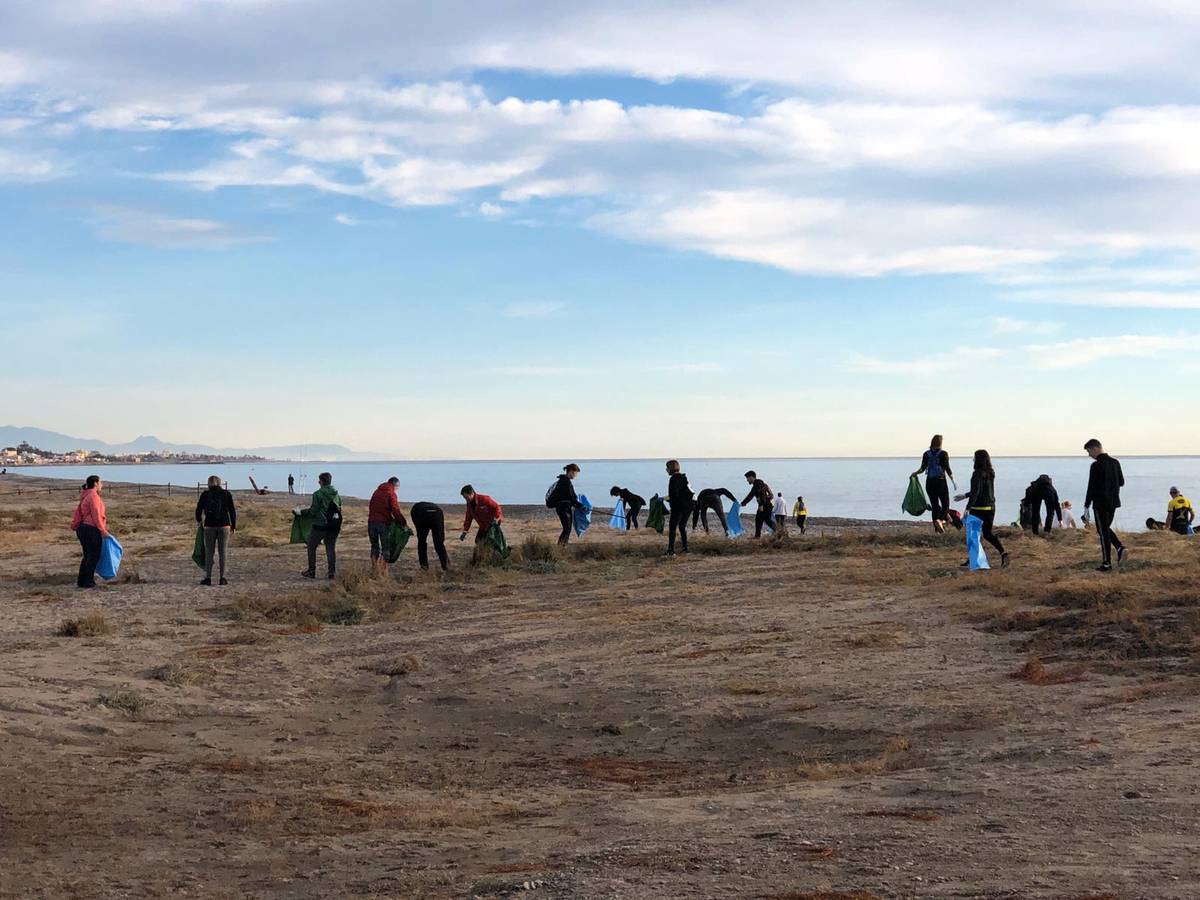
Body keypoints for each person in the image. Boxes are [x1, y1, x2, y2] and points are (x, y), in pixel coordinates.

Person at [954, 449, 1009, 568]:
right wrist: (964, 495)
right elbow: (980, 490)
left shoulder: (977, 473)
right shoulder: (990, 472)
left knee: (973, 534)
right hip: (990, 507)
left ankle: (973, 560)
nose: (973, 459)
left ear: (978, 459)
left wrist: (968, 507)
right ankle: (1003, 553)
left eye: (974, 457)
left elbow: (976, 492)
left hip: (977, 508)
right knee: (988, 534)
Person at [1083, 439, 1126, 571]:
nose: (1089, 455)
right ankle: (1119, 548)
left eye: (1089, 452)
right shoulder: (1115, 462)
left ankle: (1107, 563)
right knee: (1104, 529)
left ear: (1095, 448)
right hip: (1113, 502)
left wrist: (1086, 505)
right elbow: (1122, 482)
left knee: (1103, 533)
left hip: (1100, 503)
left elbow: (1091, 486)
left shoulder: (1096, 466)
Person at [195, 474, 236, 585]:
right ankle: (222, 578)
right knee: (223, 552)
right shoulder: (226, 494)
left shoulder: (205, 494)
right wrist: (233, 525)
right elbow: (232, 510)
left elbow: (198, 510)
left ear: (209, 483)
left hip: (209, 526)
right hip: (224, 525)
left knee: (209, 552)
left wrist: (199, 521)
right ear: (219, 483)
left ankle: (208, 578)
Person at [70, 475, 108, 589]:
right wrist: (103, 530)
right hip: (91, 528)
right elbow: (96, 514)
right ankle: (88, 582)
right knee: (93, 556)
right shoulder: (93, 496)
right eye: (100, 482)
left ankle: (82, 581)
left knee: (87, 555)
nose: (102, 485)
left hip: (83, 528)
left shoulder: (86, 495)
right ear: (95, 483)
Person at [302, 472, 342, 579]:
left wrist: (301, 513)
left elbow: (313, 511)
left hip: (320, 525)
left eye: (319, 480)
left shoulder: (317, 494)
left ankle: (311, 571)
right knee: (330, 548)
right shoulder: (336, 494)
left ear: (322, 481)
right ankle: (331, 573)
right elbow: (339, 509)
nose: (318, 482)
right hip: (333, 526)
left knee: (311, 546)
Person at [912, 435, 954, 533]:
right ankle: (940, 520)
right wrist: (953, 480)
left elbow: (922, 468)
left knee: (935, 506)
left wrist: (915, 473)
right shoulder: (944, 454)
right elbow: (947, 469)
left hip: (929, 483)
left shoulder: (926, 454)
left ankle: (937, 531)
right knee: (945, 504)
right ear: (940, 443)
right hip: (941, 482)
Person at [368, 477, 409, 570]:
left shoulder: (377, 491)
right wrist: (403, 523)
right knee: (386, 547)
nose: (397, 490)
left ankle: (374, 568)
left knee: (374, 546)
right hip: (383, 523)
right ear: (395, 485)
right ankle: (383, 570)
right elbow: (395, 510)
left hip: (371, 522)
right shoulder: (391, 493)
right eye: (398, 488)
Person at [547, 464, 583, 546]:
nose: (576, 475)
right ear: (570, 471)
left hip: (564, 507)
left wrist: (578, 504)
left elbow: (572, 496)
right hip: (563, 508)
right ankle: (561, 547)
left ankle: (562, 546)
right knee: (567, 529)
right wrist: (580, 506)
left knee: (567, 529)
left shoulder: (565, 481)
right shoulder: (565, 482)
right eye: (575, 473)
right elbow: (571, 497)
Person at [665, 459, 694, 555]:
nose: (666, 470)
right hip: (689, 506)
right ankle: (685, 548)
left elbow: (673, 495)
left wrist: (665, 499)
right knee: (682, 526)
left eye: (667, 468)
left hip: (678, 506)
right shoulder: (684, 477)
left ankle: (671, 550)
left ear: (670, 469)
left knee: (672, 528)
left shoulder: (673, 479)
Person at [411, 502, 449, 571]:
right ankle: (446, 566)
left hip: (422, 513)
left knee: (421, 542)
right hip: (437, 513)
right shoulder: (435, 508)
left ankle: (424, 566)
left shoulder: (415, 509)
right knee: (439, 543)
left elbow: (417, 525)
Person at [741, 470, 775, 538]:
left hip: (765, 506)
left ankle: (779, 531)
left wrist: (761, 505)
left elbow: (762, 494)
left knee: (765, 521)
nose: (747, 480)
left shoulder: (758, 484)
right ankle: (757, 536)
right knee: (760, 520)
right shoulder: (758, 485)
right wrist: (744, 503)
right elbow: (750, 495)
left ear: (751, 477)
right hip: (767, 505)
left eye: (747, 478)